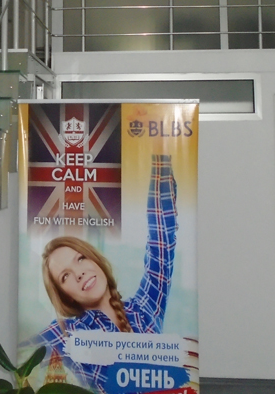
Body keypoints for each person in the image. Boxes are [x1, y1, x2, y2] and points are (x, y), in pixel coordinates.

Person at [32, 155, 177, 392]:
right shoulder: (67, 333)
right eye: (65, 276)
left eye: (80, 258)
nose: (79, 273)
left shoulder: (145, 308)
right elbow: (22, 355)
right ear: (65, 295)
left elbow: (162, 235)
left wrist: (161, 153)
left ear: (95, 260)